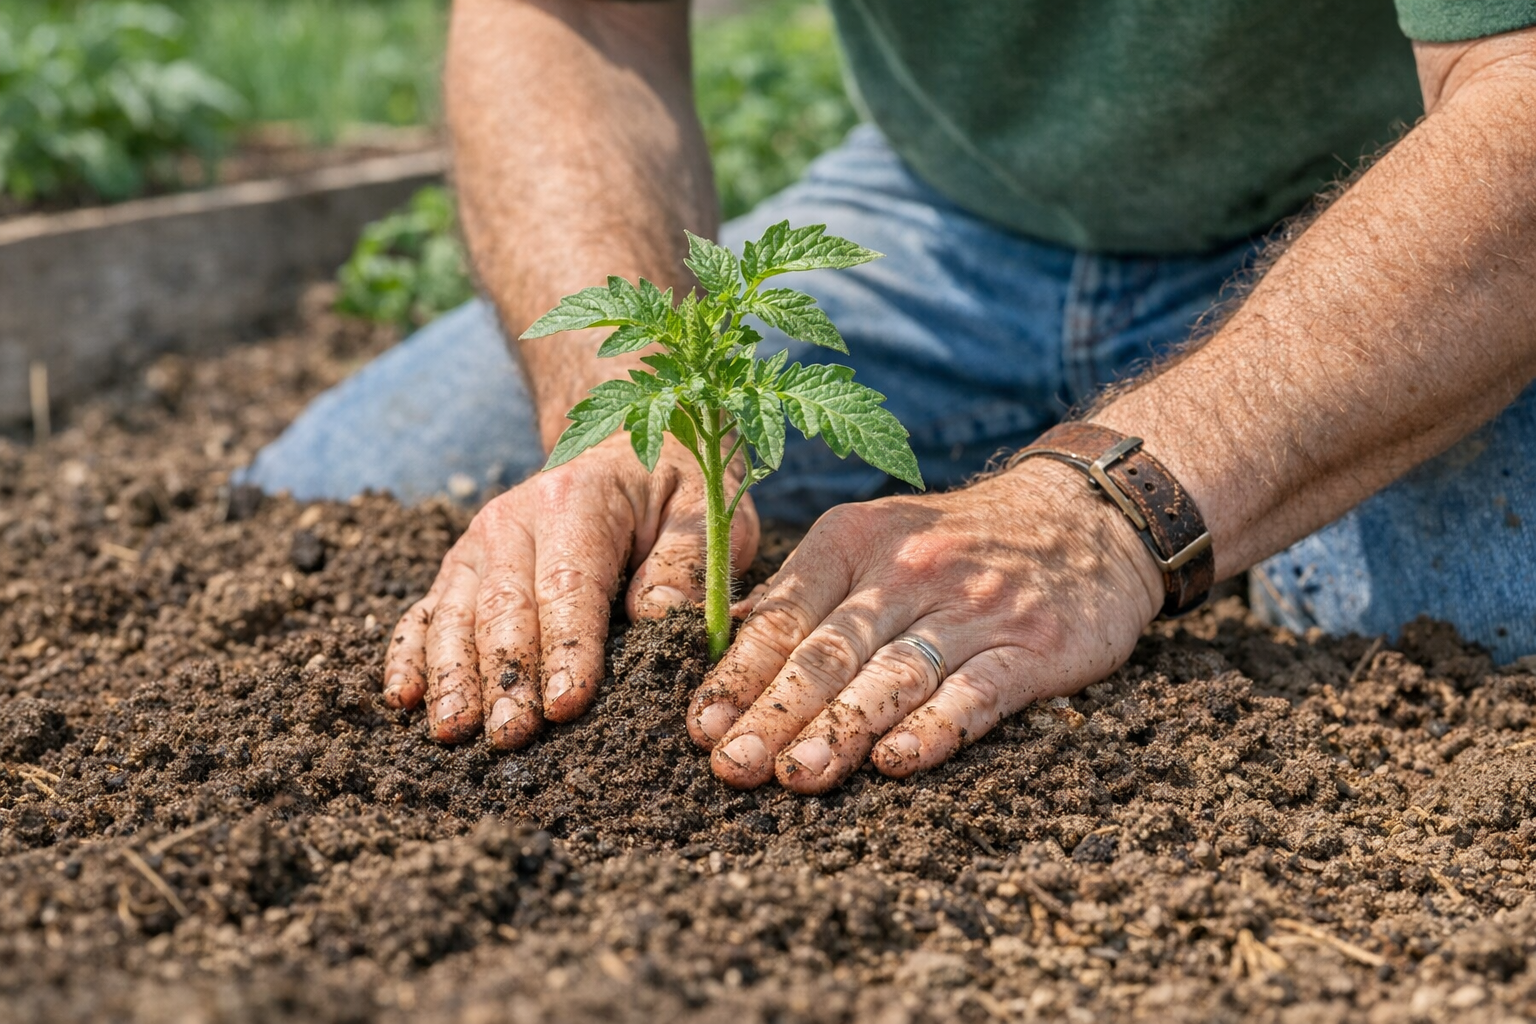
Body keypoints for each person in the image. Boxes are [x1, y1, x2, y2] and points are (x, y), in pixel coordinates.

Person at [243, 0, 1536, 795]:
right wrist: (630, 398)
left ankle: (1259, 490)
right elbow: (572, 15)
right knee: (347, 492)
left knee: (1481, 614)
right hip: (954, 220)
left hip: (1403, 219)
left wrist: (1119, 508)